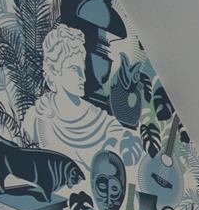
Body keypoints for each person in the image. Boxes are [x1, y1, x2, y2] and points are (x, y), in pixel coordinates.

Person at [20, 26, 124, 155]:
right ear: (54, 69)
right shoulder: (36, 118)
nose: (83, 78)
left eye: (82, 70)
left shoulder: (102, 122)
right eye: (75, 69)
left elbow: (121, 137)